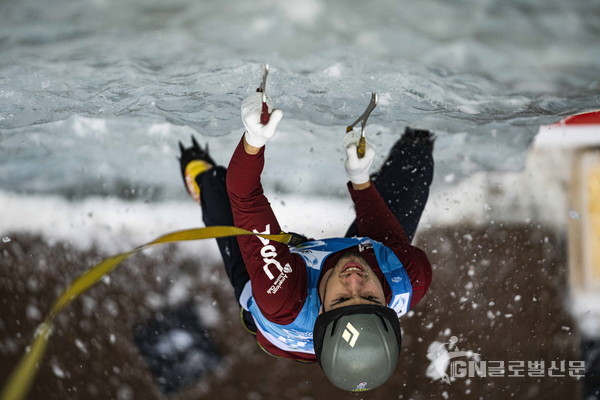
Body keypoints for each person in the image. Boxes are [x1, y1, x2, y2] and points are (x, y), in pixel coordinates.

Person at [178, 92, 434, 392]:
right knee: (415, 161)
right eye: (370, 297)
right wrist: (360, 179)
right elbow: (380, 238)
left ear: (322, 311)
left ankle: (204, 182)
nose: (354, 280)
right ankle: (419, 133)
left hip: (275, 308)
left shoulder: (282, 298)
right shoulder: (408, 276)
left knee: (221, 197)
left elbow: (245, 195)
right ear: (387, 303)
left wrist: (253, 141)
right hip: (324, 298)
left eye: (341, 299)